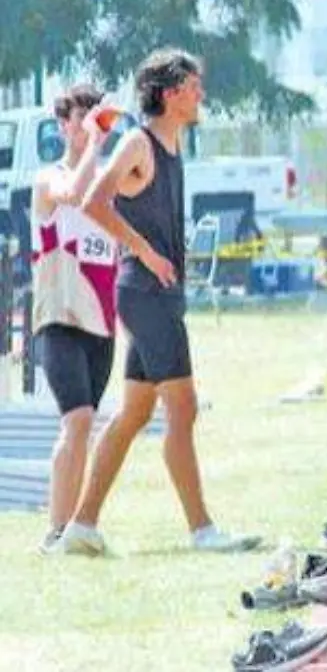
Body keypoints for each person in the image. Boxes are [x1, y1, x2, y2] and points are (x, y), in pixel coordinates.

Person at [55, 49, 261, 556]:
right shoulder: (137, 143)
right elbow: (92, 202)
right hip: (146, 293)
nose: (200, 95)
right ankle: (202, 530)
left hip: (158, 294)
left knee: (134, 413)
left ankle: (81, 526)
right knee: (183, 407)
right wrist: (145, 252)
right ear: (170, 94)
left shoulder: (171, 146)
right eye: (193, 86)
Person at [30, 84, 116, 553]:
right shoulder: (49, 177)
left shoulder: (107, 181)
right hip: (59, 317)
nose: (89, 129)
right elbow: (72, 192)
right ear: (63, 125)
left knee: (87, 425)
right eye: (81, 120)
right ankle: (55, 532)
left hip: (101, 324)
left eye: (96, 120)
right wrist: (95, 144)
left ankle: (74, 528)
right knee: (78, 419)